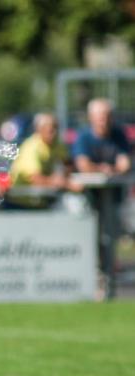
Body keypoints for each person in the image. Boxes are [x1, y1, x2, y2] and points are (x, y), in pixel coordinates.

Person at [71, 98, 132, 299]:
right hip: (89, 199)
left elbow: (125, 163)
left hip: (113, 198)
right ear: (91, 118)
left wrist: (111, 169)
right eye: (99, 117)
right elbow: (83, 164)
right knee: (92, 239)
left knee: (111, 238)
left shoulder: (118, 135)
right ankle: (95, 282)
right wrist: (103, 169)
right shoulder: (84, 137)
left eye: (106, 116)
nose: (103, 121)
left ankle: (109, 282)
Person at [8, 113, 82, 209]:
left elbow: (69, 163)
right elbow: (35, 178)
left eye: (56, 129)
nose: (54, 133)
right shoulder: (31, 147)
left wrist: (64, 174)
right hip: (21, 202)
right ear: (39, 130)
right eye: (50, 130)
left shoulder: (56, 144)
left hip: (40, 201)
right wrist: (64, 183)